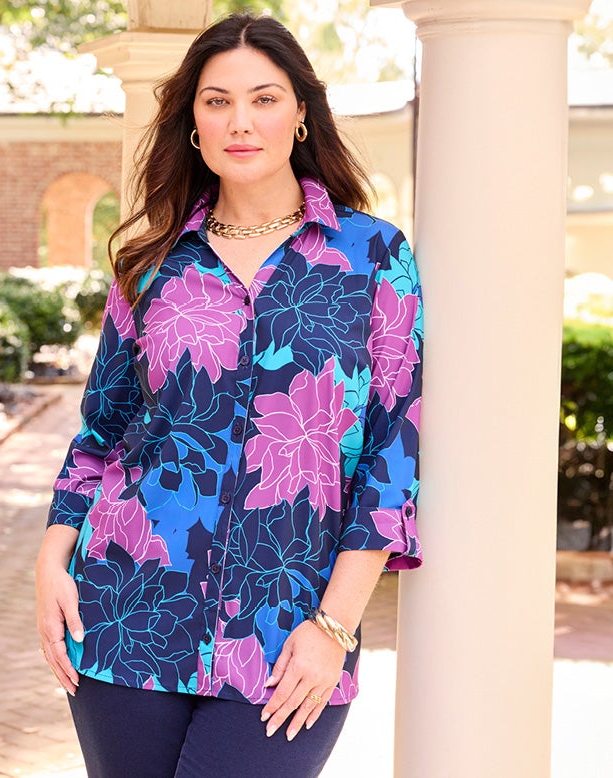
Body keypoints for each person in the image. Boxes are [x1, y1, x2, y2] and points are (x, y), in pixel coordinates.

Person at [36, 12, 422, 778]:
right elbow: (102, 431)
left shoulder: (373, 256)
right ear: (193, 123)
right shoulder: (151, 263)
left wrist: (335, 627)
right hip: (125, 614)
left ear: (301, 112)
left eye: (263, 98)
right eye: (217, 102)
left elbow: (393, 452)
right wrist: (51, 561)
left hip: (290, 631)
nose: (240, 122)